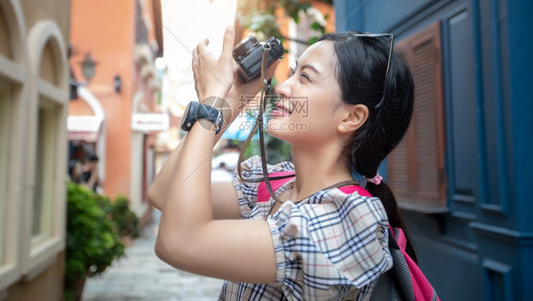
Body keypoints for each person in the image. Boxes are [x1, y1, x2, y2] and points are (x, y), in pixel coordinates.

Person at [148, 26, 415, 300]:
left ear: (351, 118)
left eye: (306, 77)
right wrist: (231, 101)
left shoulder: (351, 220)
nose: (284, 87)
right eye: (291, 73)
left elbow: (181, 242)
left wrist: (210, 107)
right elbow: (165, 193)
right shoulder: (275, 183)